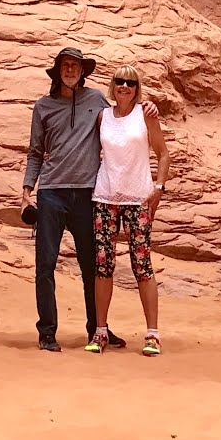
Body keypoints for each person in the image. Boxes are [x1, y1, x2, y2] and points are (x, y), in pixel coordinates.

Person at [22, 46, 155, 352]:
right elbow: (35, 152)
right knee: (45, 264)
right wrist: (27, 188)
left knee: (93, 267)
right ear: (58, 71)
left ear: (83, 72)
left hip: (87, 194)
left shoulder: (96, 100)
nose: (70, 70)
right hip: (52, 193)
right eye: (65, 65)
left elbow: (123, 114)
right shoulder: (43, 107)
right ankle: (47, 332)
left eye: (76, 66)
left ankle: (98, 331)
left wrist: (148, 109)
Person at [84, 64, 169, 358]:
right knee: (103, 263)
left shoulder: (146, 115)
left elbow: (163, 153)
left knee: (141, 264)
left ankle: (153, 334)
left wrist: (158, 187)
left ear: (137, 88)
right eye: (119, 81)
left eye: (130, 82)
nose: (124, 87)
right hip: (106, 197)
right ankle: (101, 330)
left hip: (137, 198)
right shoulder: (102, 116)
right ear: (113, 85)